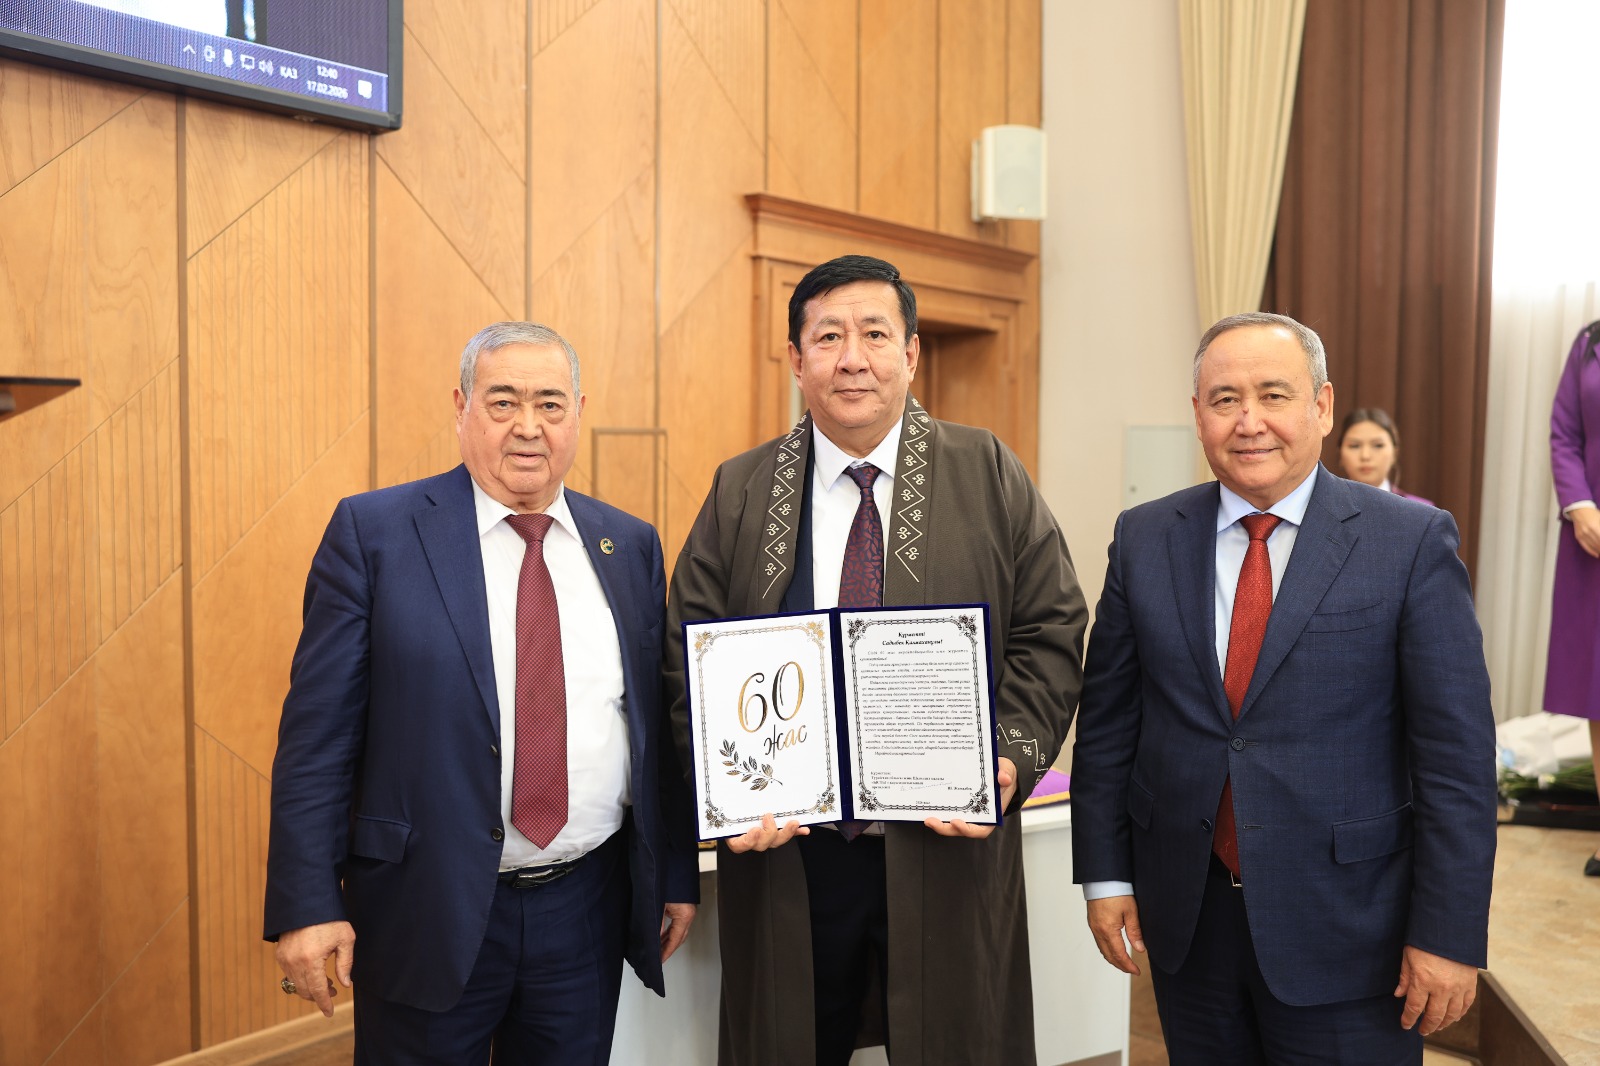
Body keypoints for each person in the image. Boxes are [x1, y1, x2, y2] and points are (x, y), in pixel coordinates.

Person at [665, 254, 1086, 1066]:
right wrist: (722, 791)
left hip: (943, 846)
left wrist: (1007, 756)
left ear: (912, 353)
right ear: (796, 360)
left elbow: (1053, 625)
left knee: (956, 1042)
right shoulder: (742, 490)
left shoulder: (987, 470)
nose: (851, 358)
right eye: (828, 337)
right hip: (790, 852)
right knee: (788, 1041)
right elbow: (687, 655)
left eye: (874, 334)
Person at [264, 322, 699, 1064]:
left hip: (585, 908)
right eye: (503, 402)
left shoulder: (629, 544)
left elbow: (652, 728)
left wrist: (674, 872)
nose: (528, 426)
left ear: (578, 413)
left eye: (550, 404)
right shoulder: (375, 534)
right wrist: (307, 903)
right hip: (425, 906)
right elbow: (317, 740)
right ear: (462, 407)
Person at [1070, 312, 1497, 1064]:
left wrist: (1448, 933)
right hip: (1189, 922)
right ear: (1198, 414)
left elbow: (1456, 761)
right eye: (1225, 399)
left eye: (1274, 395)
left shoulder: (1408, 542)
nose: (1250, 421)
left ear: (1322, 407)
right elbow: (1109, 727)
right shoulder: (1144, 537)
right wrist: (1104, 877)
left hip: (1351, 931)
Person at [1547, 319, 1600, 876]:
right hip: (1594, 538)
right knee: (1598, 690)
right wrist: (1579, 506)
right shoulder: (1589, 343)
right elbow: (1565, 433)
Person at [1337, 406, 1434, 505]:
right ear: (1340, 452)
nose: (1365, 456)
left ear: (1395, 453)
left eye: (1378, 445)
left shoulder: (1421, 509)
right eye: (1354, 446)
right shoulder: (1328, 506)